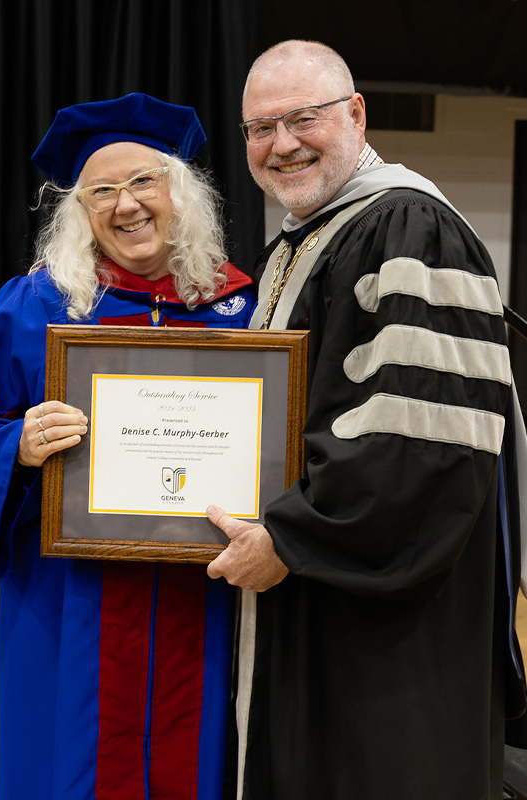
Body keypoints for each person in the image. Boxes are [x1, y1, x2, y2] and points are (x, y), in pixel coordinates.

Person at [204, 40, 527, 799]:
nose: (281, 144)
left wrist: (291, 535)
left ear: (355, 114)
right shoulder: (303, 240)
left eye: (302, 119)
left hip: (383, 616)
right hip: (316, 590)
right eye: (260, 128)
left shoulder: (411, 226)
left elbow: (424, 444)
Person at [0, 92, 256, 800]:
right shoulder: (38, 305)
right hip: (68, 602)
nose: (125, 204)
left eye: (144, 181)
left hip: (201, 600)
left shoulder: (245, 311)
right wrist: (18, 444)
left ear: (184, 194)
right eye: (100, 190)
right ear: (78, 211)